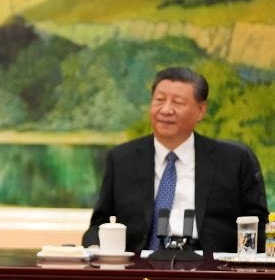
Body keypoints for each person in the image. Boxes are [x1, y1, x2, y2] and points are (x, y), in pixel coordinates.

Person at [83, 67, 268, 253]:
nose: (166, 110)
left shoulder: (234, 160)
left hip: (211, 270)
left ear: (201, 110)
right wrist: (94, 248)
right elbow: (98, 225)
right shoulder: (122, 159)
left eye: (177, 102)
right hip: (140, 269)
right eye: (159, 100)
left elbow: (258, 227)